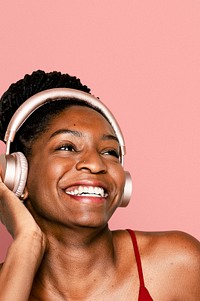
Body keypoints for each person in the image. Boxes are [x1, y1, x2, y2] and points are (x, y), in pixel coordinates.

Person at [0, 70, 199, 301]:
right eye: (67, 147)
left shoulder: (178, 265)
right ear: (18, 175)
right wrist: (27, 241)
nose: (96, 164)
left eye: (109, 152)